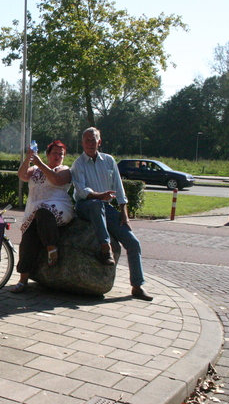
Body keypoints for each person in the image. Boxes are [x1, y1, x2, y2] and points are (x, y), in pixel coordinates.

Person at [71, 127, 153, 301]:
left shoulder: (109, 161)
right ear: (82, 143)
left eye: (93, 140)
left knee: (133, 242)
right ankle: (105, 248)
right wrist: (100, 195)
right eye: (87, 140)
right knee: (95, 205)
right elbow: (82, 190)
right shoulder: (78, 164)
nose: (90, 144)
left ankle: (137, 286)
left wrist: (124, 211)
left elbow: (118, 185)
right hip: (85, 205)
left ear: (99, 142)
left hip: (104, 206)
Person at [11, 140, 73, 293]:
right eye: (55, 153)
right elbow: (22, 175)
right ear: (47, 154)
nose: (58, 156)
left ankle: (52, 248)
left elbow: (56, 180)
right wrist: (29, 158)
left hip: (58, 207)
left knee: (43, 212)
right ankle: (22, 280)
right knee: (28, 238)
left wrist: (40, 164)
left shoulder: (65, 170)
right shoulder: (35, 169)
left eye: (61, 154)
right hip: (35, 211)